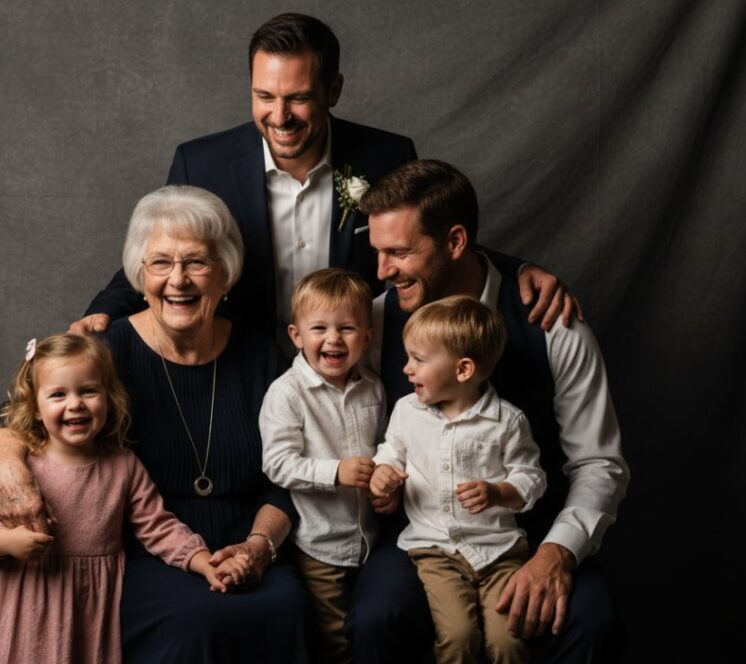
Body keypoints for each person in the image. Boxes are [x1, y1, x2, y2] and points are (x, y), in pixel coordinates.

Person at [70, 13, 577, 352]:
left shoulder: (386, 156)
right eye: (264, 96)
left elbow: (426, 244)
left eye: (299, 98)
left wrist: (516, 269)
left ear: (333, 89)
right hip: (240, 367)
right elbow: (158, 257)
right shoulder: (201, 164)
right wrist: (99, 315)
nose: (280, 117)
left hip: (357, 372)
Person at [0, 186, 311, 663]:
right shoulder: (107, 349)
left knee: (288, 608)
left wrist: (258, 547)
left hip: (248, 543)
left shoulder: (260, 355)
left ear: (225, 273)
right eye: (160, 263)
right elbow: (14, 417)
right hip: (144, 550)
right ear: (140, 275)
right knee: (196, 620)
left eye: (196, 262)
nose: (178, 280)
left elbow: (287, 477)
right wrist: (6, 465)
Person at [348, 159, 630, 663]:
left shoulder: (552, 324)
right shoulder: (373, 323)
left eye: (399, 252)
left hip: (530, 534)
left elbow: (598, 463)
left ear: (456, 242)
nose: (382, 272)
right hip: (421, 537)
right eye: (378, 252)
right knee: (376, 618)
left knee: (592, 621)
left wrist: (557, 553)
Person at [0, 333, 227, 664]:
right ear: (36, 409)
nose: (75, 404)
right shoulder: (23, 467)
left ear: (109, 398)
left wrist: (202, 561)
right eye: (58, 394)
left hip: (87, 609)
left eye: (88, 391)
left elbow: (158, 527)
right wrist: (6, 541)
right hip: (23, 602)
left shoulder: (123, 465)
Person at [369, 295, 546, 664]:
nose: (406, 369)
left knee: (508, 641)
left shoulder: (508, 421)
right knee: (458, 636)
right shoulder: (407, 411)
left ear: (463, 369)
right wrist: (382, 473)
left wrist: (499, 492)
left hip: (498, 551)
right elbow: (390, 452)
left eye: (418, 359)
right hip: (435, 550)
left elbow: (531, 477)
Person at [260, 268, 384, 663]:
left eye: (347, 328)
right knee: (334, 640)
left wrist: (386, 475)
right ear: (296, 335)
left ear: (367, 336)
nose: (333, 339)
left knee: (372, 628)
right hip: (319, 547)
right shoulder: (286, 393)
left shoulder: (373, 387)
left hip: (371, 540)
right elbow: (277, 463)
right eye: (319, 329)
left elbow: (385, 444)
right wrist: (335, 472)